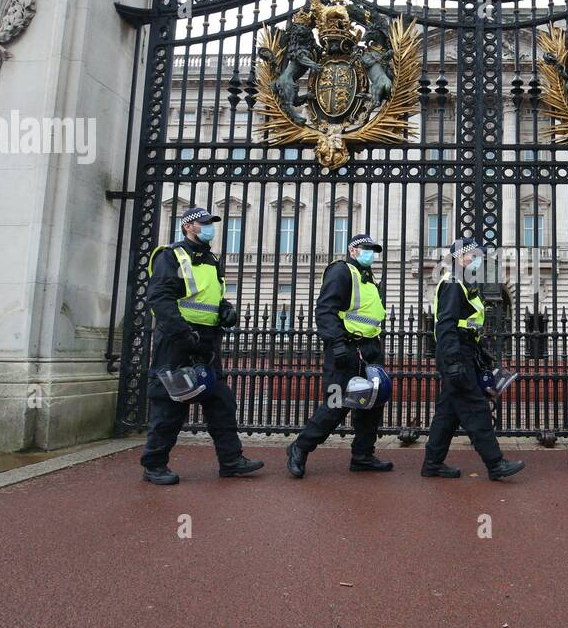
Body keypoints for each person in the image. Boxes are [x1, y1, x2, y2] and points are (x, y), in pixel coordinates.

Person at [140, 207, 264, 485]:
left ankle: (231, 460)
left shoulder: (212, 259)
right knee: (171, 404)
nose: (210, 227)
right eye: (204, 223)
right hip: (176, 340)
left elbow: (213, 296)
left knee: (220, 400)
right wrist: (181, 331)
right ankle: (154, 464)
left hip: (207, 340)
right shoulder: (171, 255)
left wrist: (225, 310)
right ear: (188, 226)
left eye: (211, 223)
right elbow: (160, 298)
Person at [286, 234, 395, 479]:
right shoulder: (341, 271)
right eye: (366, 248)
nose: (370, 253)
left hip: (369, 348)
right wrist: (336, 344)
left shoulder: (368, 278)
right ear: (352, 250)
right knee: (336, 404)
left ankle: (363, 456)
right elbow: (325, 309)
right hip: (345, 348)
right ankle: (300, 447)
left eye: (373, 250)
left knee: (372, 404)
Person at [421, 238, 525, 481]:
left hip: (464, 350)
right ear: (459, 257)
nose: (477, 259)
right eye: (473, 255)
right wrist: (454, 361)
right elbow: (446, 326)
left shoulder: (465, 285)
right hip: (456, 353)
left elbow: (467, 325)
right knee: (477, 407)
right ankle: (495, 464)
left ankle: (432, 464)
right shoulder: (453, 284)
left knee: (447, 414)